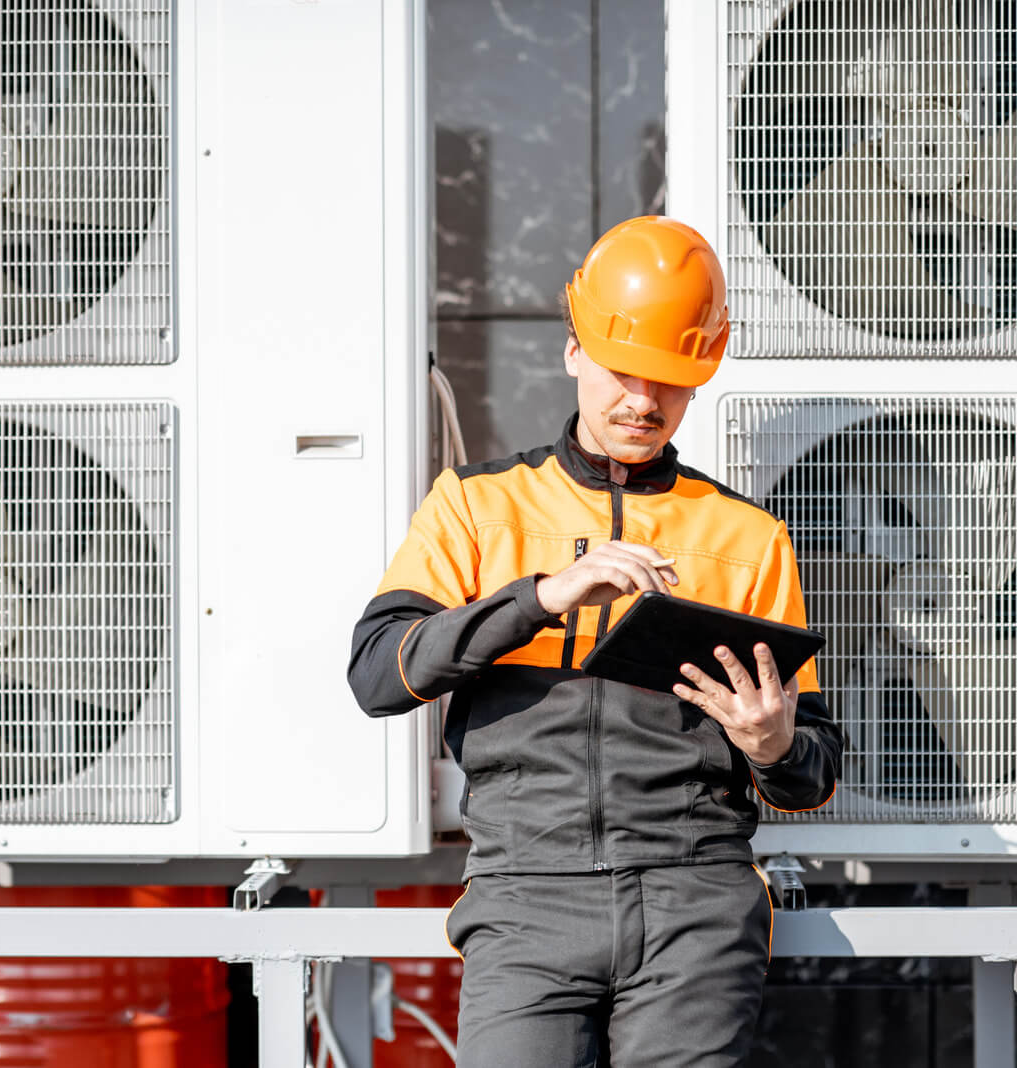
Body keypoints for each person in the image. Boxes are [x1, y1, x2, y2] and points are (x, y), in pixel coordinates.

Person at [346, 216, 845, 1066]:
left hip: (695, 903)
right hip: (524, 899)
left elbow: (813, 775)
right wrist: (542, 597)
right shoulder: (476, 506)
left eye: (670, 381)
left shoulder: (748, 537)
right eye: (622, 370)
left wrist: (774, 744)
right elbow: (379, 675)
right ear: (574, 347)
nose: (642, 402)